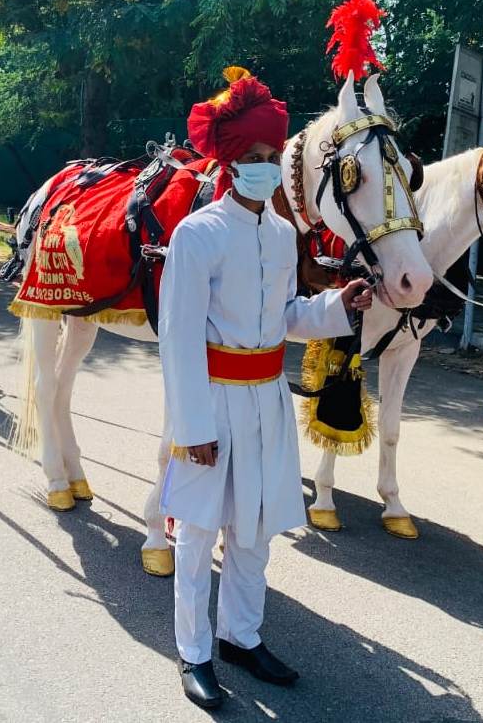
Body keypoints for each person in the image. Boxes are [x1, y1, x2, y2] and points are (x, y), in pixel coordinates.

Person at [159, 67, 372, 708]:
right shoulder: (197, 235)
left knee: (255, 529)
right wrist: (192, 428)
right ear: (228, 162)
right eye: (251, 157)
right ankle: (194, 652)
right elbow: (178, 339)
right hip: (213, 403)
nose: (264, 166)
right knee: (198, 533)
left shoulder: (282, 236)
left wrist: (337, 306)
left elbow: (287, 319)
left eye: (272, 156)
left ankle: (241, 637)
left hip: (268, 402)